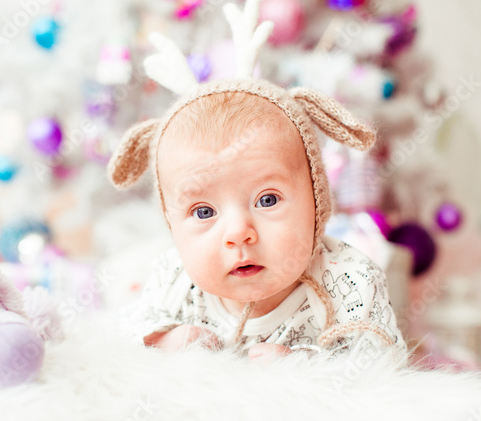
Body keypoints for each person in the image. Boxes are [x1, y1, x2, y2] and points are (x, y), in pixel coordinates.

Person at [108, 0, 406, 360]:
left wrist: (304, 366)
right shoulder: (174, 278)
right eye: (203, 212)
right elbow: (124, 336)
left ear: (316, 199)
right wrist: (166, 341)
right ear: (173, 226)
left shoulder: (349, 280)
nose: (238, 234)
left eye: (267, 200)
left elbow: (381, 363)